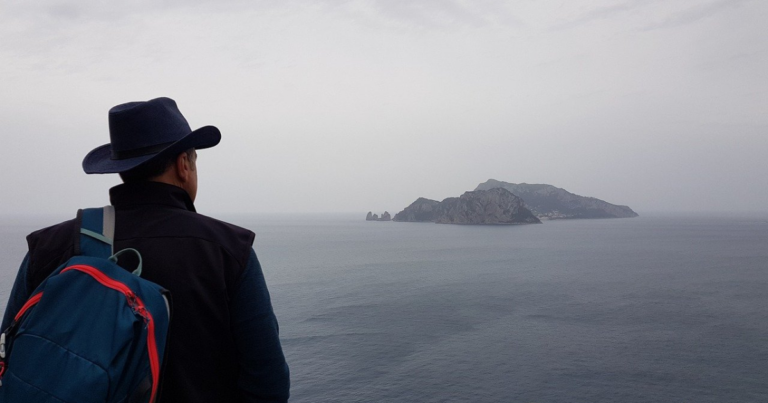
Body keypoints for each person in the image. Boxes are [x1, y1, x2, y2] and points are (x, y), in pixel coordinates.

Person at [1, 97, 290, 402]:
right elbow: (267, 380)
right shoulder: (229, 250)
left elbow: (9, 355)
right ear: (184, 165)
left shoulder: (48, 247)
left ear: (121, 169)